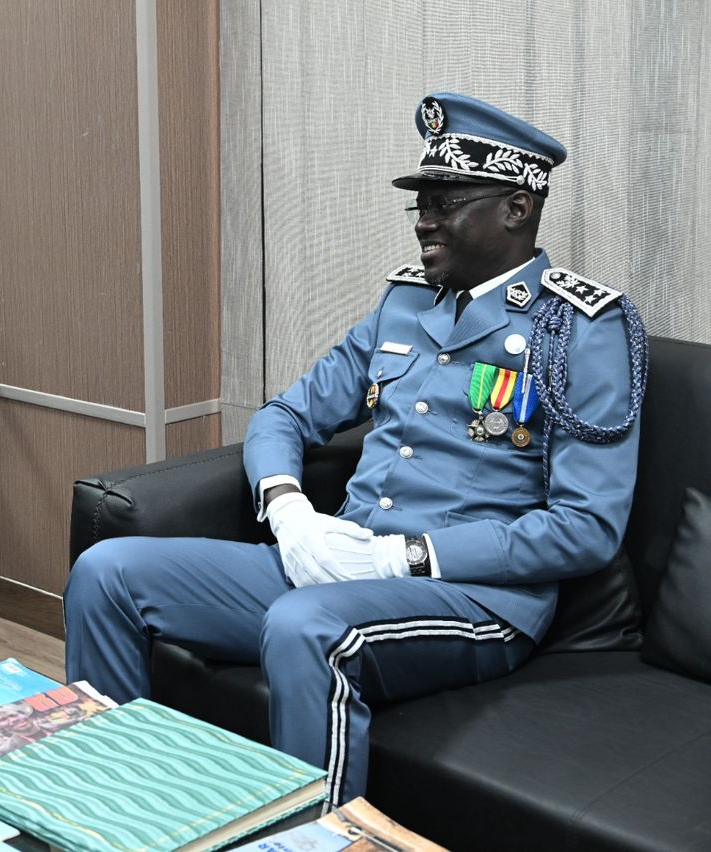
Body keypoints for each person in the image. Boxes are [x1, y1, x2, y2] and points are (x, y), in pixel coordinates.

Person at [64, 93, 648, 806]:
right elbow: (285, 415)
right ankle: (107, 808)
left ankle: (317, 841)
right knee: (106, 573)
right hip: (338, 562)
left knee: (304, 626)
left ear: (517, 209)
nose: (423, 222)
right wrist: (289, 513)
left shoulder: (582, 328)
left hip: (474, 597)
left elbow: (586, 528)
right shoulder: (404, 303)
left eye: (444, 203)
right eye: (420, 205)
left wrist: (401, 558)